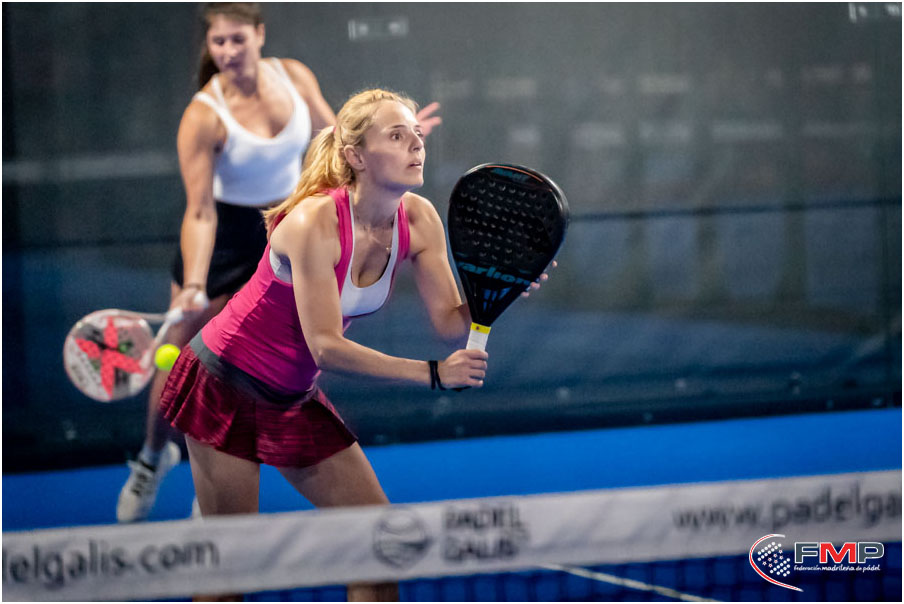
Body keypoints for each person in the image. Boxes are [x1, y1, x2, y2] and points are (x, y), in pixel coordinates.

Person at [157, 89, 547, 601]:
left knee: (380, 547)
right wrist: (434, 373)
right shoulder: (313, 222)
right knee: (230, 575)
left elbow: (450, 324)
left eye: (417, 134)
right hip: (223, 383)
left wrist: (503, 287)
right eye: (397, 136)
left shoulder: (419, 219)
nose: (416, 145)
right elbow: (326, 347)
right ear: (356, 156)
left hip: (291, 398)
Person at [116, 2, 441, 523]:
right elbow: (199, 210)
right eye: (218, 42)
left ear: (259, 35)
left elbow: (339, 137)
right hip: (223, 235)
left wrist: (392, 138)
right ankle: (153, 459)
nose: (228, 51)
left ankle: (217, 469)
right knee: (178, 349)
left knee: (284, 341)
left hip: (287, 221)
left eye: (237, 39)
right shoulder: (203, 115)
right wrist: (195, 282)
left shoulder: (294, 78)